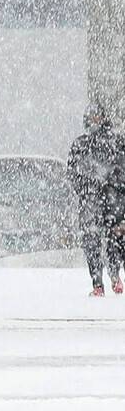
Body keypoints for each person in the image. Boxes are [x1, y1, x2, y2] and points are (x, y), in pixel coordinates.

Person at [67, 104, 125, 297]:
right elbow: (73, 174)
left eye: (96, 117)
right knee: (106, 238)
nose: (94, 121)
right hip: (105, 198)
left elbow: (73, 174)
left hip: (103, 198)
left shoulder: (84, 144)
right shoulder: (114, 143)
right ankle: (104, 280)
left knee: (105, 238)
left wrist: (88, 189)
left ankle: (108, 279)